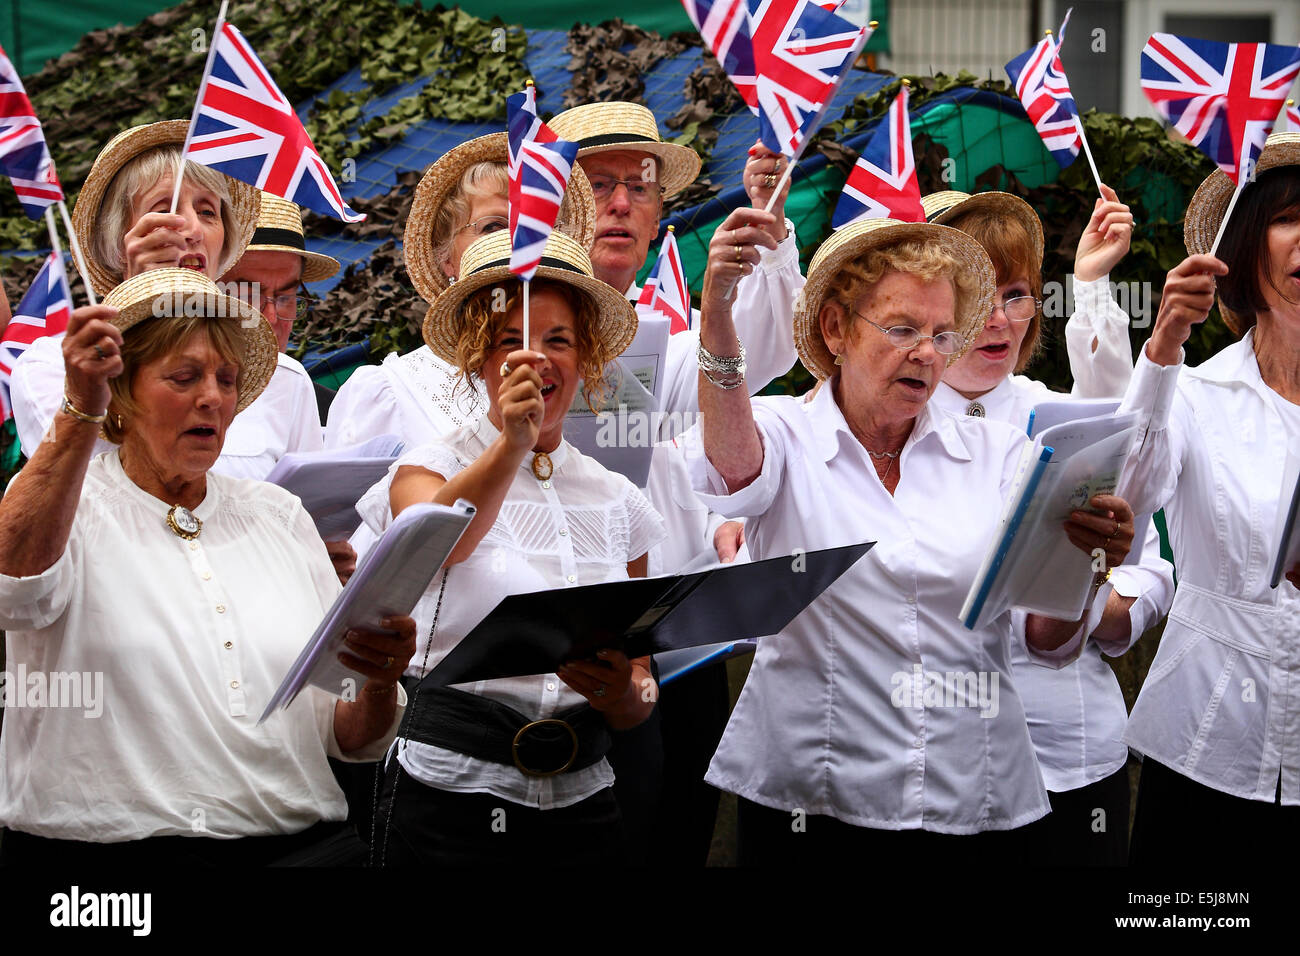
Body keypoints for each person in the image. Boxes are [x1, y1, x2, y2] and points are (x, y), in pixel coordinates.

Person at [682, 217, 1138, 864]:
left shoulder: (1002, 453)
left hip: (974, 801)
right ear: (837, 329)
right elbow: (730, 464)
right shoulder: (783, 435)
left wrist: (1087, 560)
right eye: (901, 329)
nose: (926, 351)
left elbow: (1049, 642)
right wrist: (718, 315)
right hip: (812, 801)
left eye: (942, 333)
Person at [0, 268, 415, 865]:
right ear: (121, 392)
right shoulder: (64, 504)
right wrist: (76, 414)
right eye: (184, 377)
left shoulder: (281, 515)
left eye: (226, 379)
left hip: (306, 853)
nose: (213, 398)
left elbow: (349, 738)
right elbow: (14, 593)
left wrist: (379, 677)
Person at [360, 231, 665, 865]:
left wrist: (624, 695)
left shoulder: (616, 497)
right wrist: (510, 444)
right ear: (477, 359)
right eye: (511, 342)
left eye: (559, 341)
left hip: (585, 802)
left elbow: (641, 674)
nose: (537, 360)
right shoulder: (428, 467)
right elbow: (437, 543)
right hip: (450, 799)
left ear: (587, 361)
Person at [923, 188, 1175, 864]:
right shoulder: (887, 438)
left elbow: (1147, 559)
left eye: (1014, 293)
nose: (997, 318)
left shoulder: (1065, 420)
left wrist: (1114, 608)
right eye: (971, 295)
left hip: (1071, 756)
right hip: (936, 764)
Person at [1117, 131, 1300, 865]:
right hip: (1204, 748)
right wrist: (1164, 342)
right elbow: (1124, 500)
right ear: (1246, 248)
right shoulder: (1194, 391)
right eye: (1288, 218)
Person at [10, 122, 324, 482]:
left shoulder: (281, 378)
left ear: (225, 246)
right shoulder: (53, 366)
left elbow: (312, 517)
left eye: (208, 212)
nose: (190, 229)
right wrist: (143, 306)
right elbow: (83, 482)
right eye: (163, 209)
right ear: (118, 242)